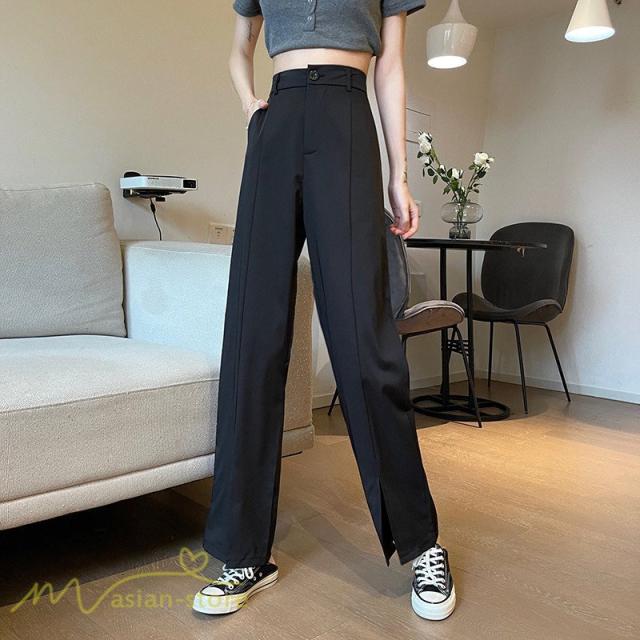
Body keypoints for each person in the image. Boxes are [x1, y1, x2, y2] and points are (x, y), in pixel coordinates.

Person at [192, 0, 455, 622]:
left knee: (366, 342)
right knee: (252, 336)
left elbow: (391, 64)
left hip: (346, 118)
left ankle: (422, 544)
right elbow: (240, 45)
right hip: (277, 122)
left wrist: (399, 173)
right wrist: (251, 104)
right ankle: (244, 554)